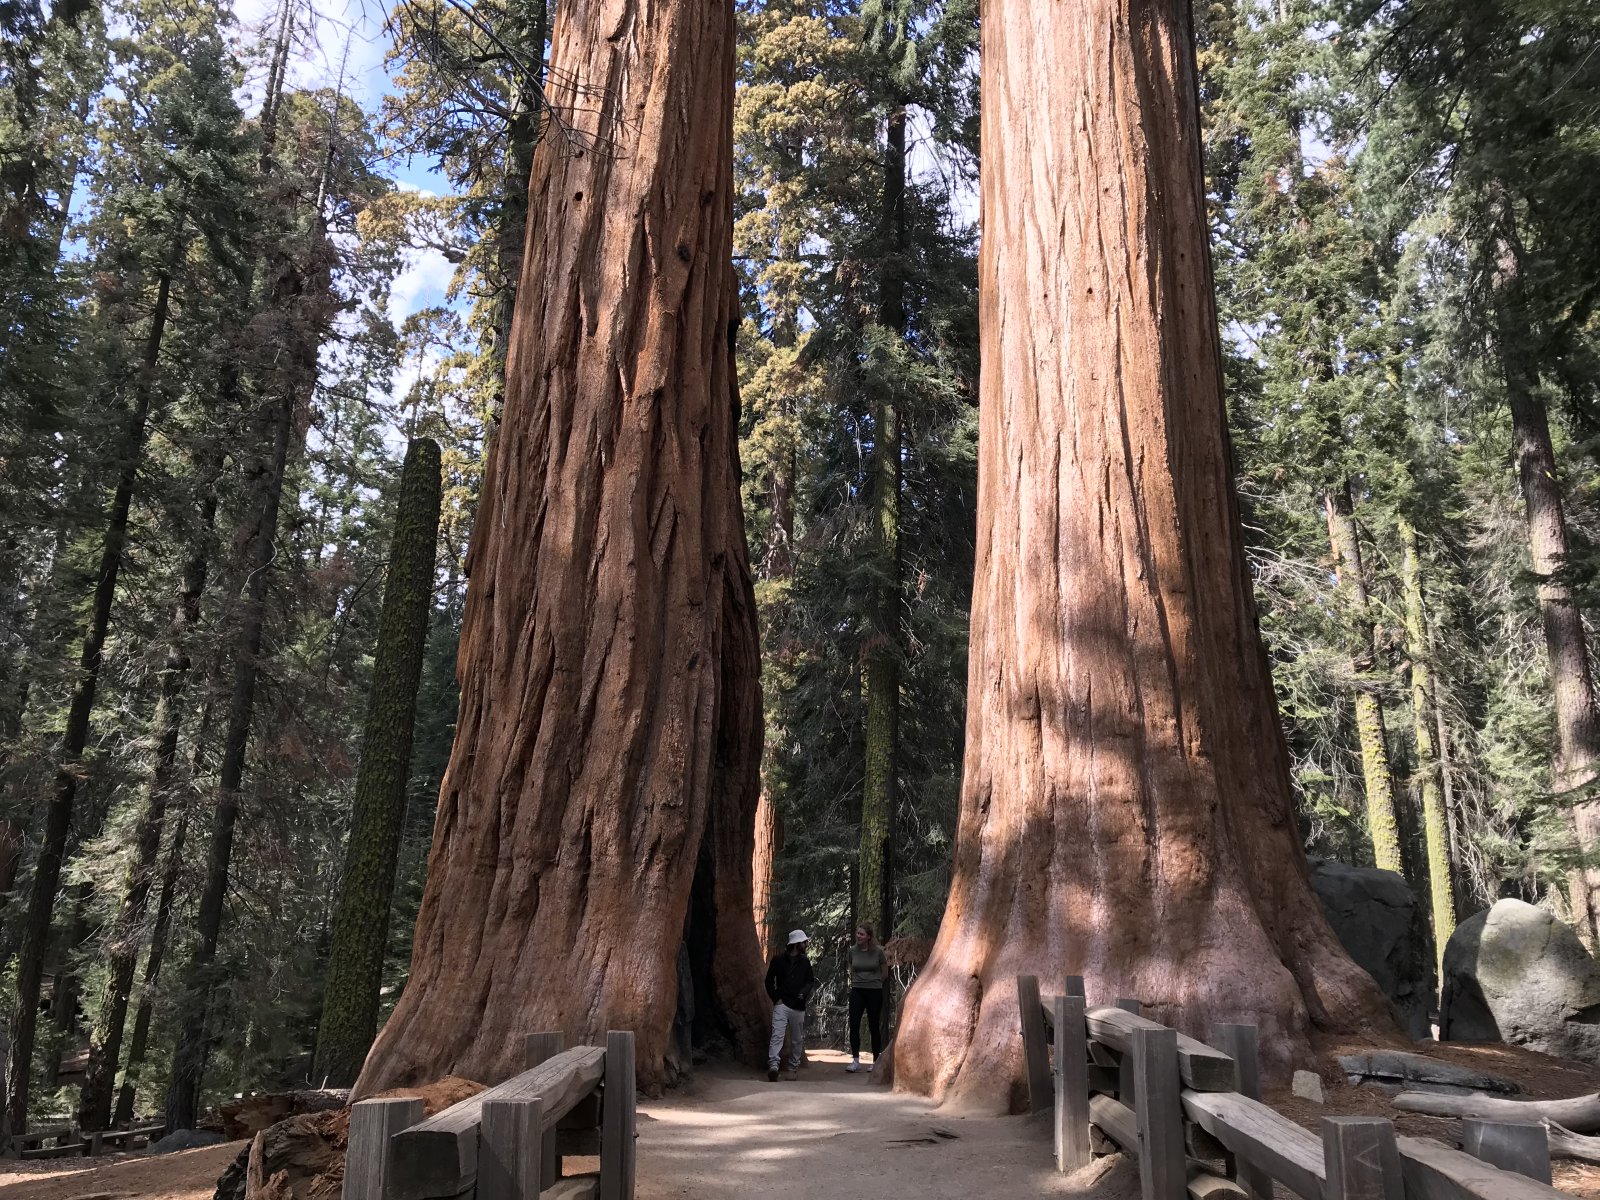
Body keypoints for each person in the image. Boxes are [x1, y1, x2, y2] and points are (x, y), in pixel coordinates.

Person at [765, 929, 816, 1081]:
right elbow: (768, 981)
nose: (806, 944)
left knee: (797, 1039)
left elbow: (810, 981)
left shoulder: (805, 962)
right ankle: (773, 1066)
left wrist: (804, 993)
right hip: (782, 1004)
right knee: (777, 1035)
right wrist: (776, 998)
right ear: (796, 944)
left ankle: (793, 1068)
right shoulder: (778, 960)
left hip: (798, 1006)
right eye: (804, 942)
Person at [845, 924, 888, 1072]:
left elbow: (884, 972)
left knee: (873, 1025)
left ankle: (876, 1060)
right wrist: (858, 981)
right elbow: (852, 968)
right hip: (857, 990)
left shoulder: (878, 952)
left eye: (862, 934)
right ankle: (855, 1060)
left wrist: (875, 983)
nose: (858, 936)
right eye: (857, 933)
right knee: (854, 1023)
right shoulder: (852, 951)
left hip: (874, 991)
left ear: (869, 937)